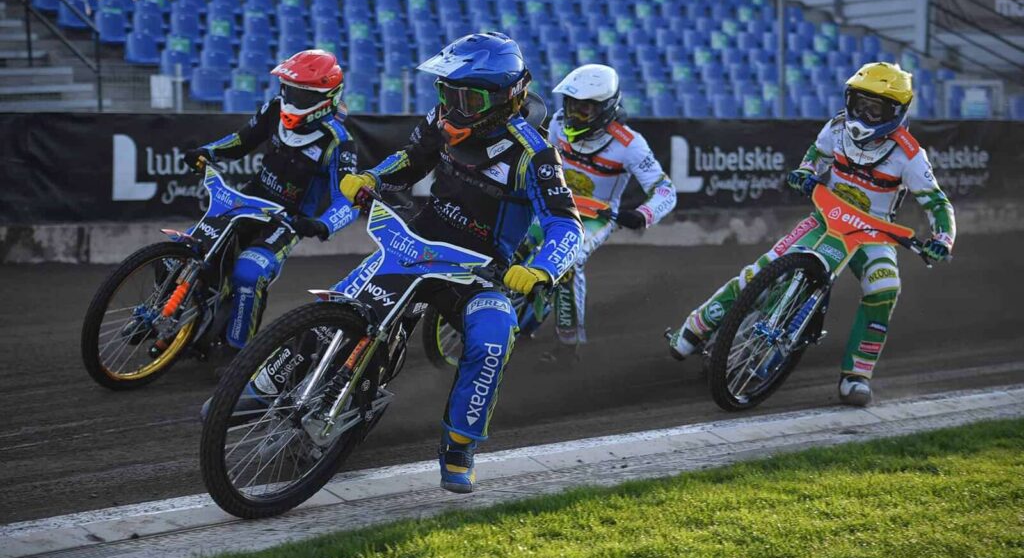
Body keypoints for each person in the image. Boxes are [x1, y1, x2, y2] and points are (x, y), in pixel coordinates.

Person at [337, 31, 583, 493]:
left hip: (479, 270)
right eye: (447, 92)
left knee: (494, 339)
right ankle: (264, 387)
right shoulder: (440, 118)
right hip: (418, 240)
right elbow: (412, 159)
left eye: (466, 98)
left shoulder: (534, 154)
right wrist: (371, 178)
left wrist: (541, 269)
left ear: (506, 98)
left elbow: (567, 226)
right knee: (342, 301)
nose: (451, 107)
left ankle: (459, 446)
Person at [666, 62, 956, 406]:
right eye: (859, 103)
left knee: (885, 288)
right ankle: (696, 327)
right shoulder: (836, 127)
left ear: (895, 111)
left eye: (874, 109)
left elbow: (937, 202)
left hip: (872, 234)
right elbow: (816, 156)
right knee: (762, 270)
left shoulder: (910, 155)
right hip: (825, 219)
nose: (862, 114)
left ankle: (857, 375)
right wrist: (805, 172)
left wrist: (943, 238)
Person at [184, 49, 359, 352]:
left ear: (326, 98)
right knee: (187, 250)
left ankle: (239, 352)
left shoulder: (338, 142)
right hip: (248, 200)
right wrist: (208, 152)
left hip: (287, 221)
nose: (290, 98)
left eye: (301, 94)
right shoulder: (274, 108)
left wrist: (322, 224)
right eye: (288, 89)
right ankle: (182, 320)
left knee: (248, 274)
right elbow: (241, 141)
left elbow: (348, 200)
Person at [547, 64, 676, 348]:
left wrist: (643, 215)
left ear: (605, 108)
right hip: (554, 202)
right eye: (571, 105)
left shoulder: (630, 144)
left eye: (584, 109)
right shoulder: (557, 122)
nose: (573, 115)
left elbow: (666, 191)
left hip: (597, 215)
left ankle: (570, 343)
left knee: (569, 260)